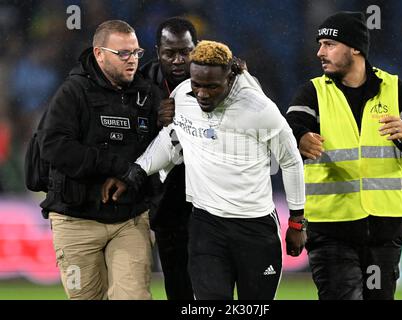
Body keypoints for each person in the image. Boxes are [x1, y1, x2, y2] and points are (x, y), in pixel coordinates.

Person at [103, 40, 306, 300]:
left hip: (256, 229)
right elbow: (171, 141)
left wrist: (297, 222)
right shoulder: (183, 96)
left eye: (212, 86)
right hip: (206, 226)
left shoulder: (260, 110)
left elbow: (290, 161)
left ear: (230, 78)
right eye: (197, 84)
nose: (202, 94)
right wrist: (136, 172)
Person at [286, 11, 402, 300]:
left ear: (355, 47)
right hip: (331, 231)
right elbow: (285, 131)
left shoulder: (396, 90)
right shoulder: (313, 93)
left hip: (384, 232)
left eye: (329, 44)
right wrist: (299, 138)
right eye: (319, 44)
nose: (320, 52)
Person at [38, 20, 158, 299]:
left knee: (134, 296)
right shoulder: (73, 92)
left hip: (129, 218)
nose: (132, 61)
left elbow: (160, 148)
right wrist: (117, 166)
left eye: (136, 53)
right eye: (123, 54)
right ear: (99, 53)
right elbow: (53, 146)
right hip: (76, 219)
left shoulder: (147, 94)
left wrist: (132, 174)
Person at [140, 17, 197, 300]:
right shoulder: (140, 83)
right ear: (157, 51)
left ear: (196, 50)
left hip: (211, 200)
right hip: (166, 204)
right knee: (177, 284)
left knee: (215, 283)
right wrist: (153, 121)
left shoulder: (218, 77)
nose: (177, 60)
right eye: (169, 53)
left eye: (185, 52)